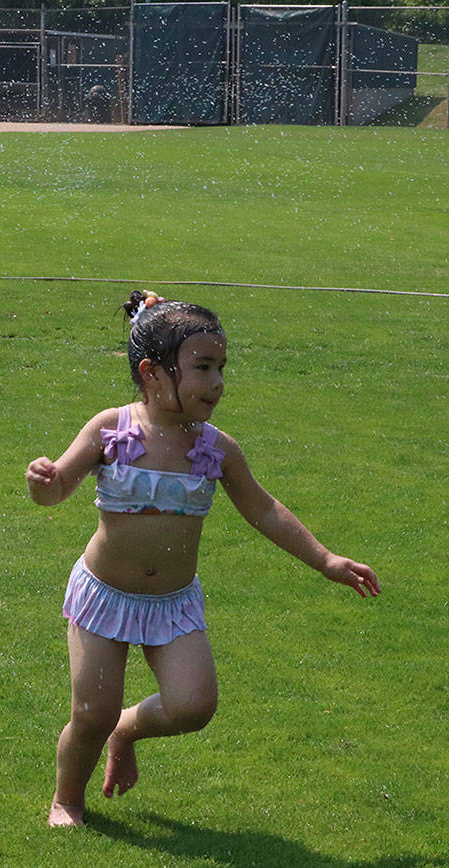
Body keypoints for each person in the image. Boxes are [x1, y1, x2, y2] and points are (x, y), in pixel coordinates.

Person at [25, 290, 381, 829]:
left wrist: (326, 560)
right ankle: (67, 800)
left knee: (194, 705)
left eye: (221, 368)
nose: (217, 382)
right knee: (90, 712)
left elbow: (264, 510)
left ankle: (129, 729)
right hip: (103, 595)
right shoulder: (110, 430)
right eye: (202, 368)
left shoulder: (215, 448)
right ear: (153, 373)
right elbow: (57, 492)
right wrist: (43, 484)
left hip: (172, 603)